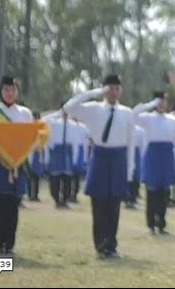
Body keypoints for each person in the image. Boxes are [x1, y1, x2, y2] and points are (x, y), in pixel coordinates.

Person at [64, 74, 135, 259]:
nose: (113, 91)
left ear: (121, 90)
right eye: (109, 88)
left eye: (117, 88)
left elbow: (131, 142)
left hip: (118, 158)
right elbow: (69, 107)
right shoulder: (93, 109)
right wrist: (93, 92)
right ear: (104, 90)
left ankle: (111, 245)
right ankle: (100, 244)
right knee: (99, 204)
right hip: (100, 157)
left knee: (114, 205)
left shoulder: (127, 112)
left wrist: (130, 169)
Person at [0, 76, 34, 257]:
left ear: (16, 92)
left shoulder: (25, 114)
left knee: (13, 204)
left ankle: (9, 245)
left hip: (17, 163)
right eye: (6, 90)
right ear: (0, 92)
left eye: (12, 90)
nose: (9, 93)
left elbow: (30, 139)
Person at [133, 90, 175, 235]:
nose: (162, 105)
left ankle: (162, 224)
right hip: (153, 156)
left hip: (166, 156)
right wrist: (149, 105)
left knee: (164, 193)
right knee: (152, 192)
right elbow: (133, 115)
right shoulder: (147, 118)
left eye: (164, 102)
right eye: (159, 102)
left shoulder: (172, 119)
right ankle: (151, 224)